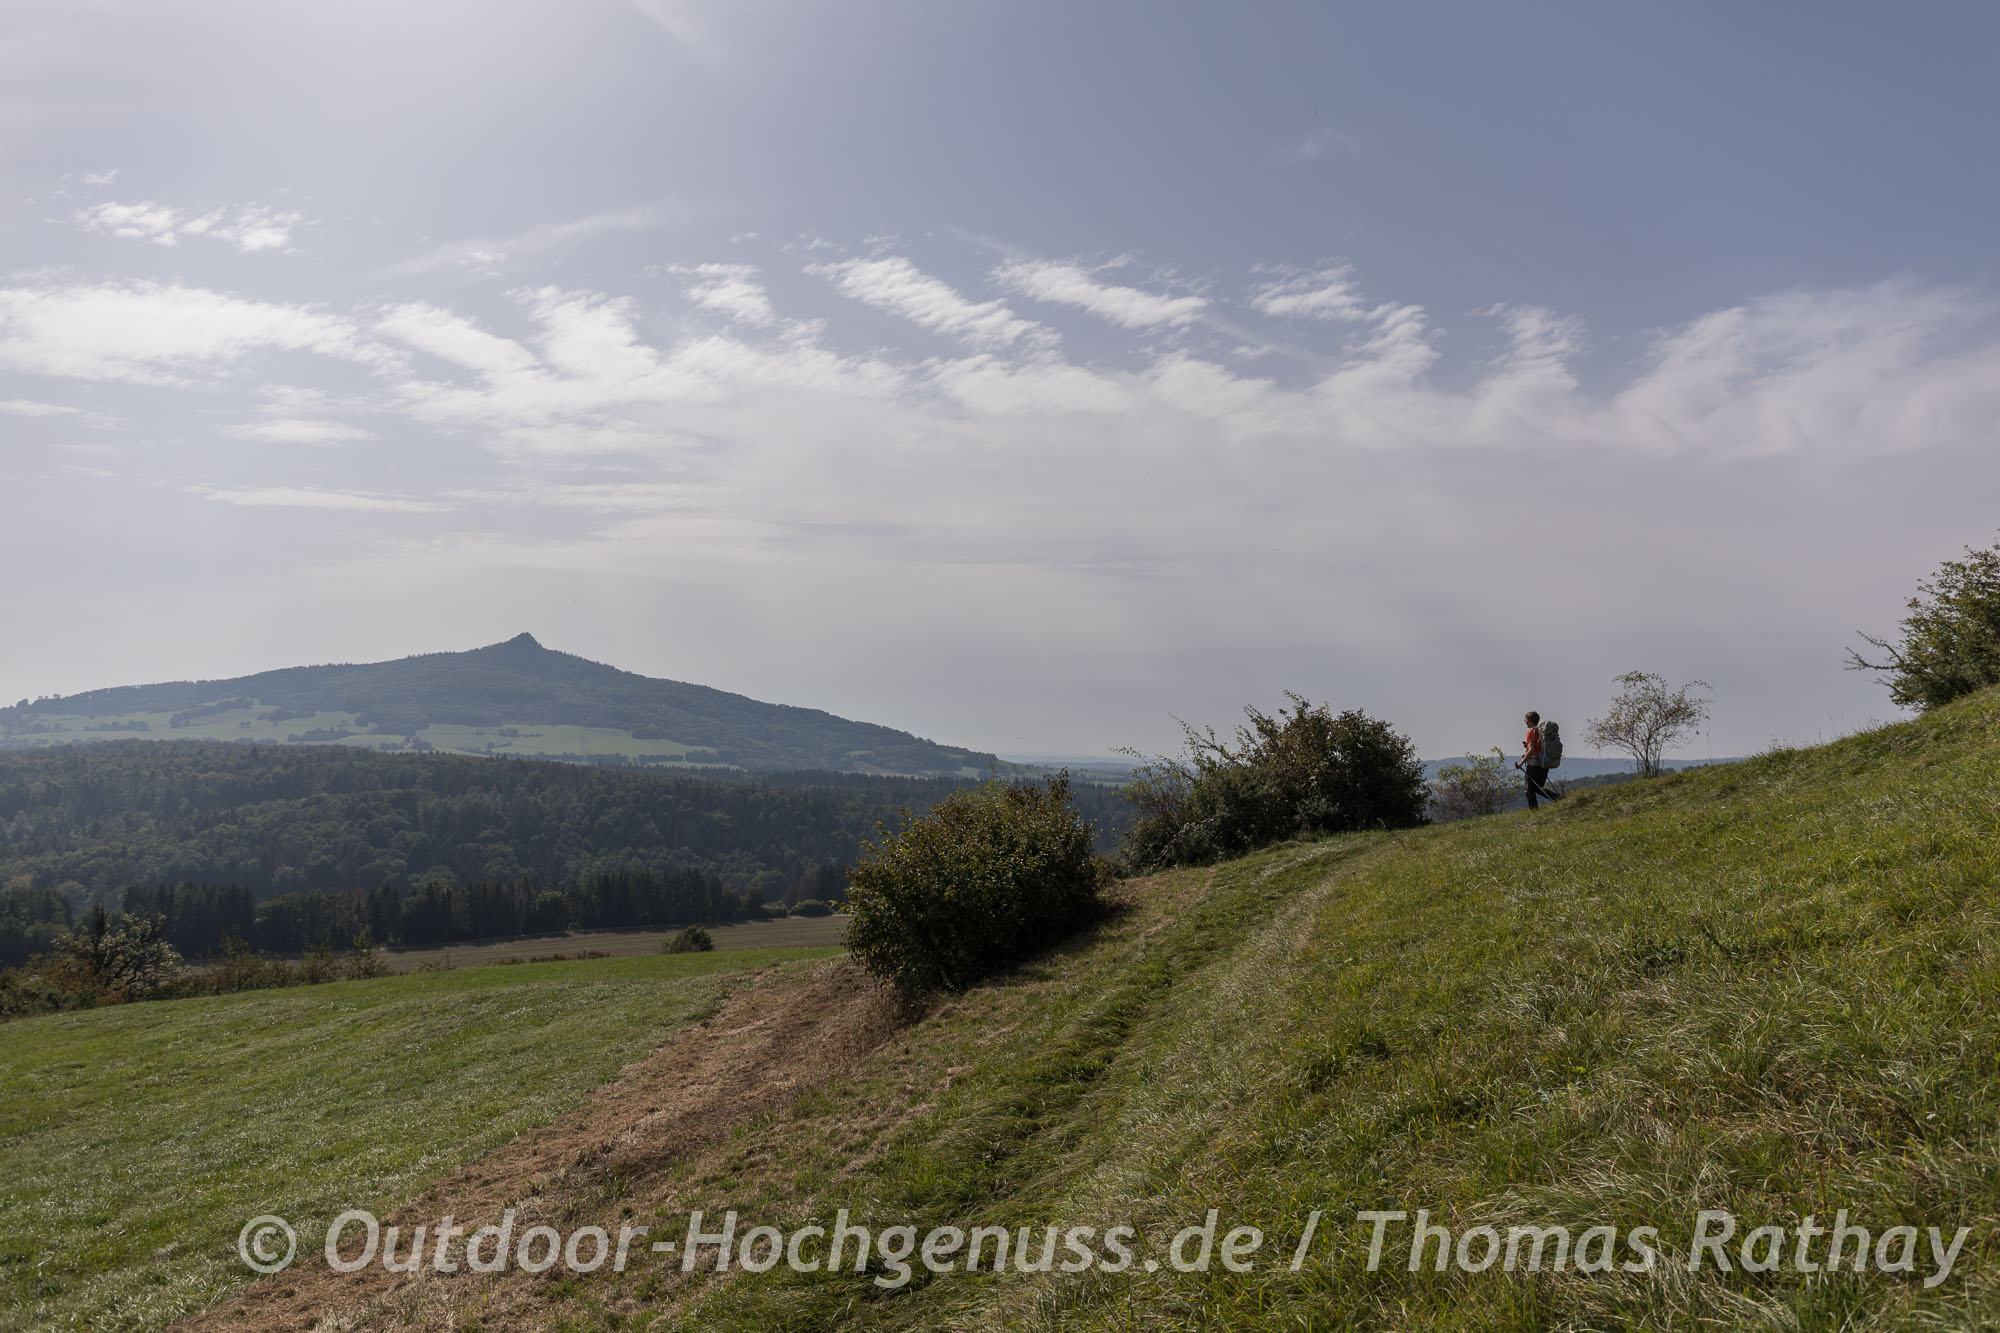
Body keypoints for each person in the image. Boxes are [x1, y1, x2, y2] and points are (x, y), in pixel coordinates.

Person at [1517, 710, 1559, 809]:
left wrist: (1521, 763)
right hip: (1545, 764)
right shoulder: (1542, 732)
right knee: (1537, 787)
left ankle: (1535, 813)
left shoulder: (1531, 732)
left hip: (1534, 765)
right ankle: (1557, 798)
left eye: (1526, 720)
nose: (1525, 721)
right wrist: (1527, 752)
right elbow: (1538, 749)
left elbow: (1531, 750)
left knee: (1528, 790)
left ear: (1530, 720)